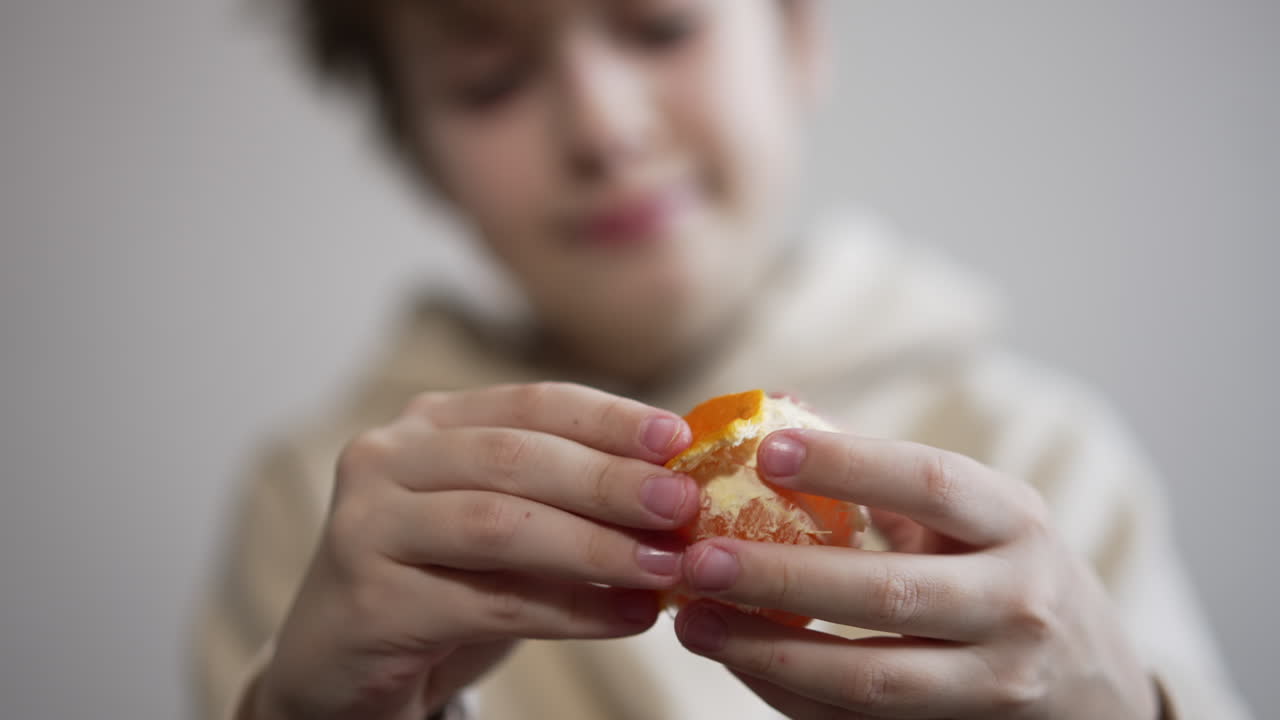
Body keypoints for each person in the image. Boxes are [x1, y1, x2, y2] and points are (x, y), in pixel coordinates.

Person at [194, 1, 1251, 718]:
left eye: (658, 23)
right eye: (487, 80)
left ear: (795, 32)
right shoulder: (328, 512)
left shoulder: (1032, 459)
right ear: (418, 154)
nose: (601, 126)